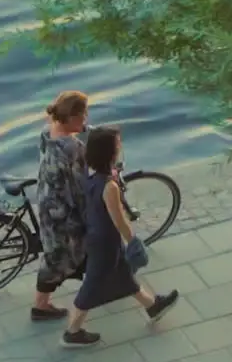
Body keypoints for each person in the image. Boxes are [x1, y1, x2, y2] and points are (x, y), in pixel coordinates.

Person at [62, 126, 178, 348]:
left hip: (93, 232)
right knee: (92, 285)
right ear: (109, 152)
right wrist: (133, 241)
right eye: (117, 144)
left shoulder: (89, 171)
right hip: (105, 242)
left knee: (123, 275)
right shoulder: (109, 187)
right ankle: (72, 332)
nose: (120, 146)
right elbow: (119, 220)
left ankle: (153, 305)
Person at [32, 91, 91, 321]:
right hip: (63, 212)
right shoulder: (72, 147)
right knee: (59, 256)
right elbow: (79, 187)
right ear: (72, 117)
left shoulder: (48, 133)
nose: (86, 118)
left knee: (55, 253)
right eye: (83, 114)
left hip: (47, 202)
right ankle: (41, 306)